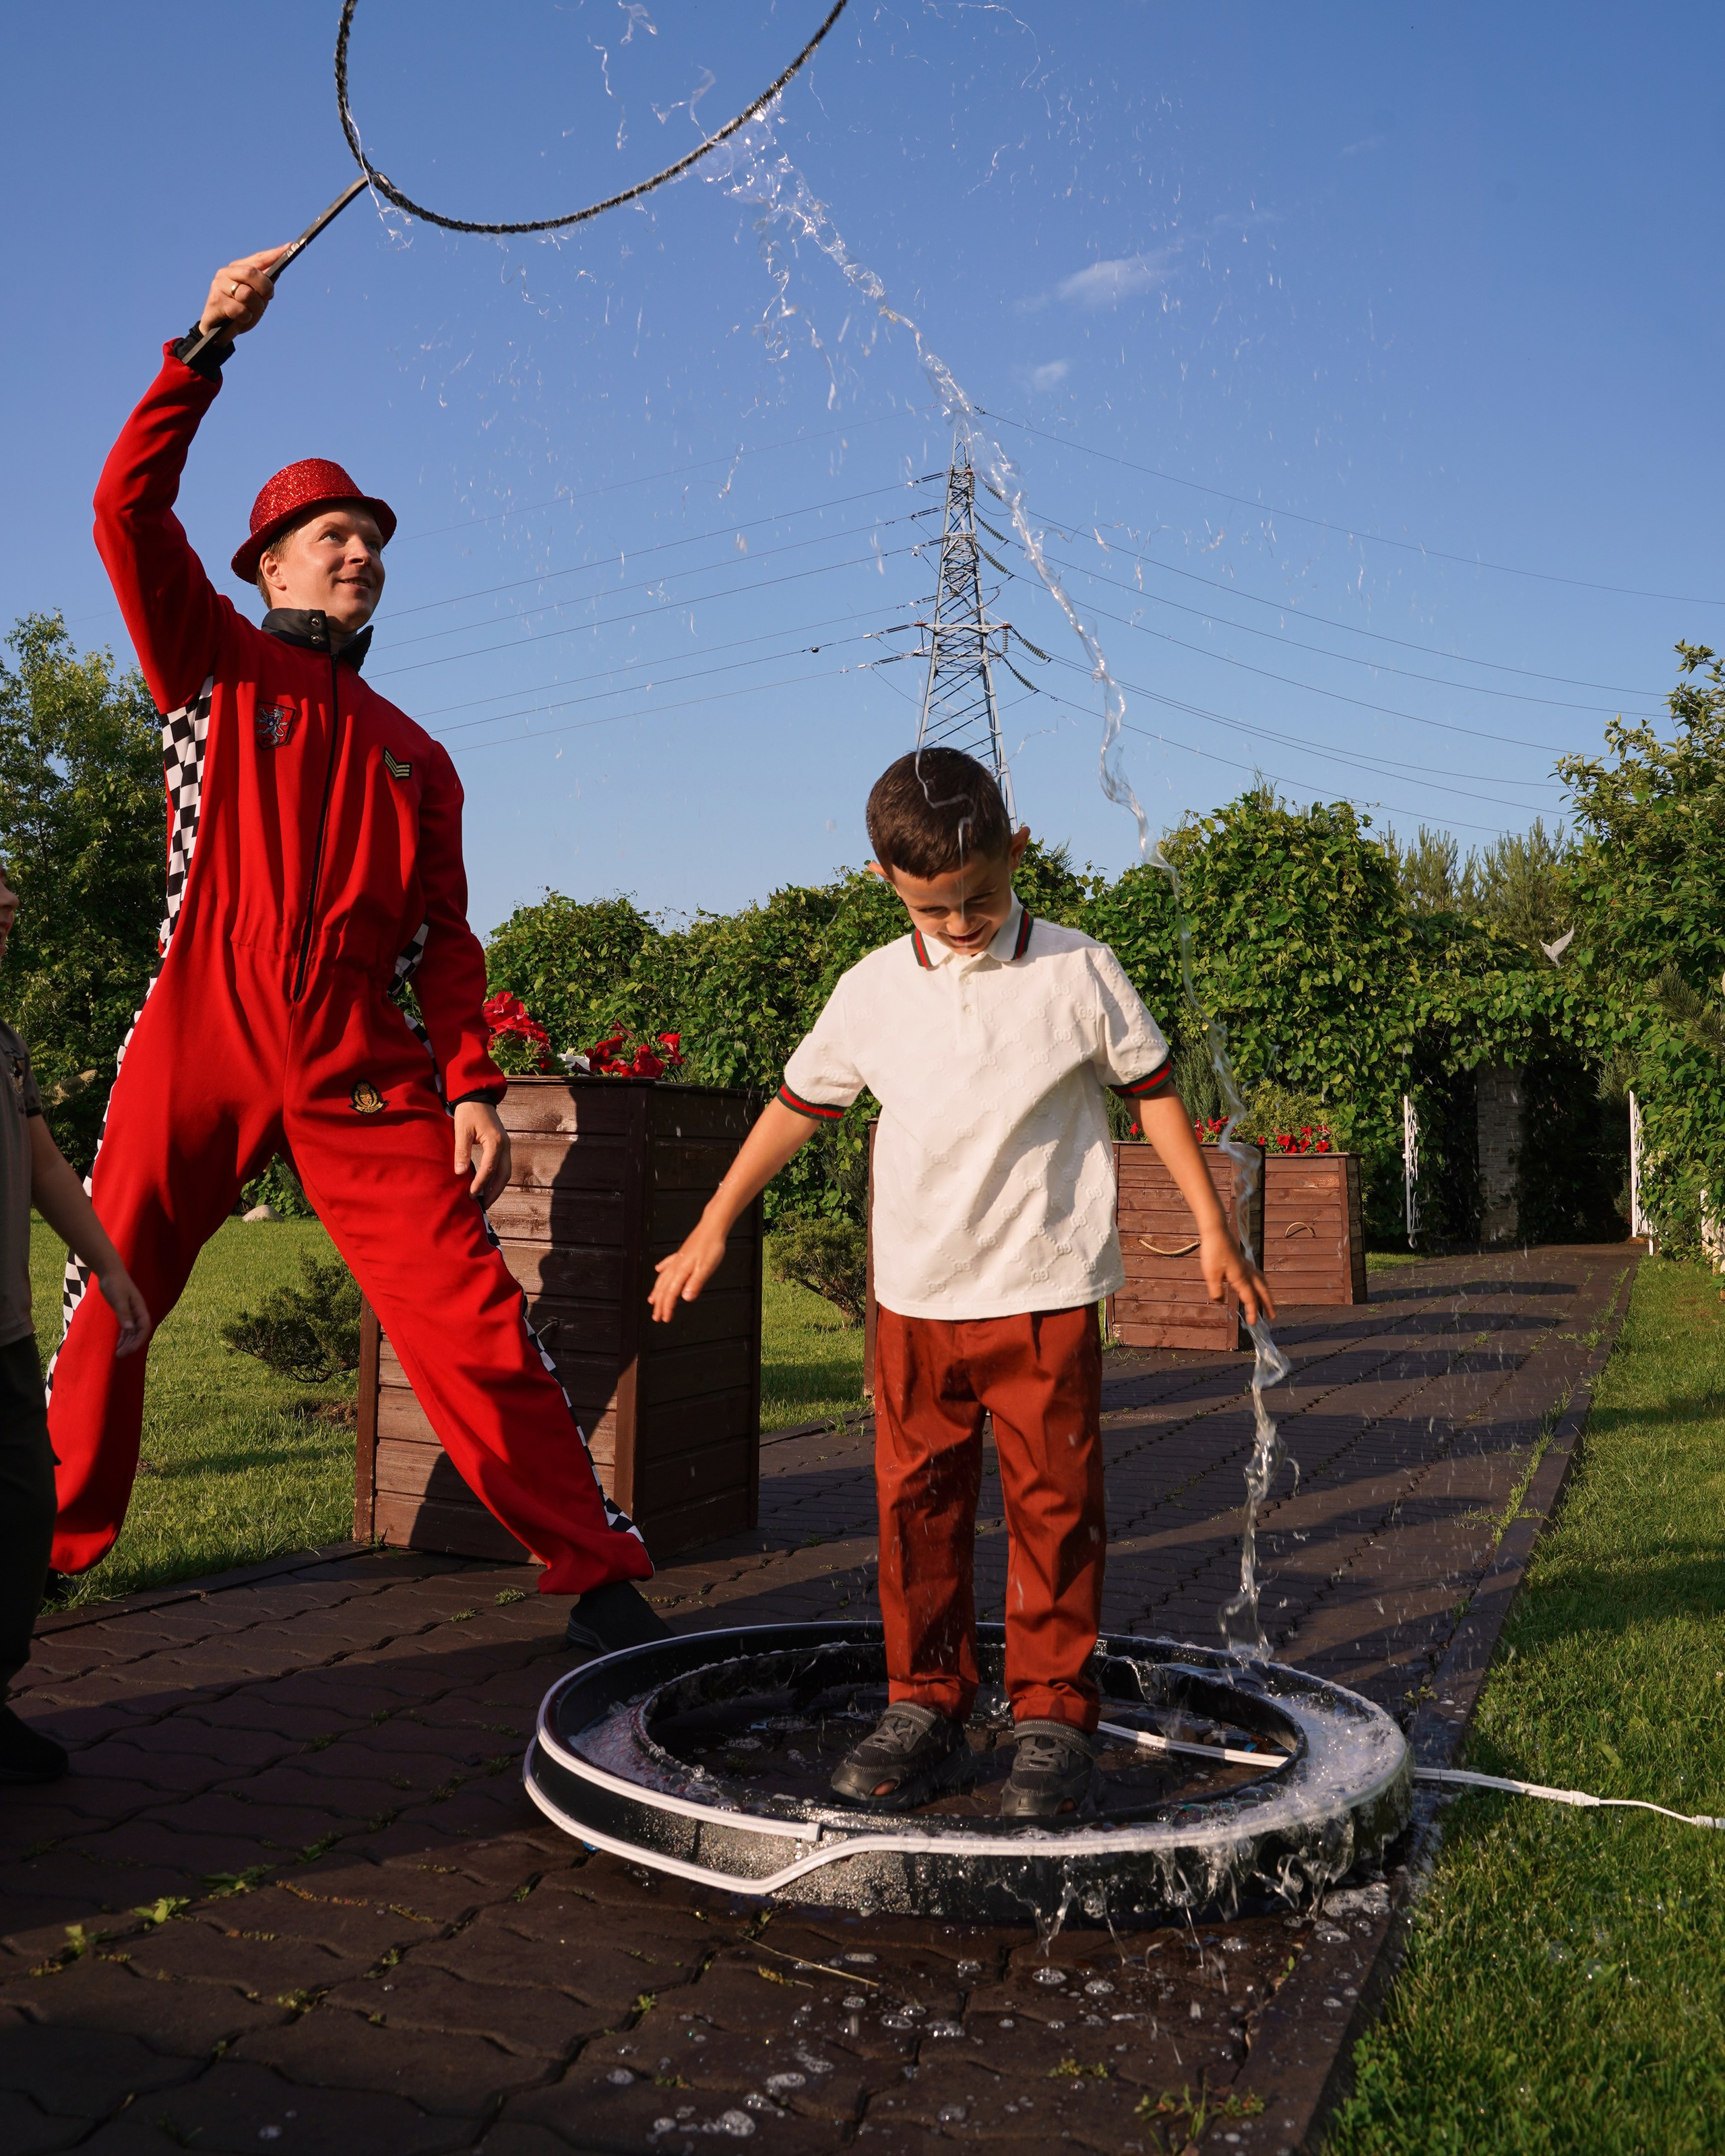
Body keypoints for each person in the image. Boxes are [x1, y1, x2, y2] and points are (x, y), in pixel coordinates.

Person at [44, 251, 666, 1658]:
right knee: (110, 1298)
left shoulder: (417, 759)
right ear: (262, 562)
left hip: (352, 1053)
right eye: (323, 531)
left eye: (368, 534)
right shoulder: (204, 660)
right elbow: (121, 509)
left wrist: (467, 1083)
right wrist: (204, 345)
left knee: (467, 1310)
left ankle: (595, 1577)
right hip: (198, 1020)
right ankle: (29, 1588)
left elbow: (448, 943)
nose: (354, 547)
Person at [652, 745, 1274, 1820]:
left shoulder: (1080, 970)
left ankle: (1049, 1715)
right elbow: (798, 1108)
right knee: (916, 1506)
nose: (960, 925)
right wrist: (713, 1223)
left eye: (979, 899)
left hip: (1042, 1291)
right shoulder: (871, 992)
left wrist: (1212, 1226)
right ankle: (926, 1701)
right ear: (888, 884)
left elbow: (1155, 1095)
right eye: (934, 909)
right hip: (917, 1300)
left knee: (1054, 1507)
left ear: (1016, 851)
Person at [1, 867, 152, 1782]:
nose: (9, 912)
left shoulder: (7, 1045)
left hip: (8, 1344)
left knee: (20, 1522)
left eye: (12, 905)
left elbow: (46, 1161)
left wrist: (107, 1260)